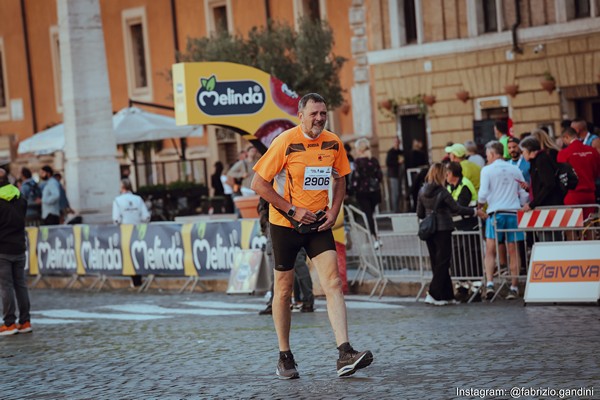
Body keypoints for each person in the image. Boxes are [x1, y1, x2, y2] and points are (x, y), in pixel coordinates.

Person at [251, 93, 373, 379]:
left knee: (332, 281)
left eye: (323, 113)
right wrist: (292, 210)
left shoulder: (333, 142)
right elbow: (258, 183)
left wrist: (333, 210)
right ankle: (285, 355)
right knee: (283, 290)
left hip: (318, 222)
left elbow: (340, 178)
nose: (319, 118)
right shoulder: (284, 142)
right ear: (300, 115)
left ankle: (345, 352)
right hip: (285, 224)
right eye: (314, 113)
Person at [417, 163, 485, 306]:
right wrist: (474, 212)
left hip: (429, 231)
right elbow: (456, 208)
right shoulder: (442, 191)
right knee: (443, 263)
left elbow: (420, 213)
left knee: (437, 263)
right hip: (443, 229)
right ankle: (433, 293)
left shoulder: (422, 190)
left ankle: (446, 296)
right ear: (441, 174)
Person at [478, 141, 529, 301]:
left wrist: (479, 207)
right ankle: (514, 286)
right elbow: (525, 191)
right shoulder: (515, 169)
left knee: (491, 249)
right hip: (513, 213)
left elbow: (483, 194)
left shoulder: (487, 170)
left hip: (496, 213)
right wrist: (521, 205)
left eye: (487, 155)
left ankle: (490, 284)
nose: (487, 158)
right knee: (513, 251)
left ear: (492, 154)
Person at [0, 168, 32, 336]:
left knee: (6, 286)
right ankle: (25, 321)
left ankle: (9, 323)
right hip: (19, 245)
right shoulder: (21, 198)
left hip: (3, 248)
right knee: (20, 284)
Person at [445, 162, 482, 302]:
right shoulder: (450, 186)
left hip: (468, 226)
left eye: (447, 173)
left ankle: (476, 289)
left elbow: (458, 207)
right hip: (456, 227)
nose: (445, 176)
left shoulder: (465, 185)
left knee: (471, 256)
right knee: (457, 257)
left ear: (453, 174)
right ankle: (462, 288)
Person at [113, 178, 151, 287]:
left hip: (125, 231)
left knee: (129, 255)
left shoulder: (117, 200)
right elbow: (146, 216)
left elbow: (116, 219)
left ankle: (135, 281)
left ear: (121, 188)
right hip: (138, 230)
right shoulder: (138, 199)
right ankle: (139, 278)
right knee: (138, 253)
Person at [558, 127, 600, 219]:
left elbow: (561, 175)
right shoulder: (592, 151)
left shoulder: (564, 153)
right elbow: (597, 172)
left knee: (572, 226)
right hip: (590, 193)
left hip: (572, 194)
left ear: (566, 137)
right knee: (589, 226)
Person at [351, 138, 383, 241]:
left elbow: (356, 178)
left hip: (362, 192)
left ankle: (373, 237)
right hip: (375, 192)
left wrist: (352, 189)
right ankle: (372, 236)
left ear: (359, 150)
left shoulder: (358, 162)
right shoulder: (374, 160)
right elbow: (380, 175)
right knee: (370, 214)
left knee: (367, 214)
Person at [386, 136, 404, 213]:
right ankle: (395, 210)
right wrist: (397, 162)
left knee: (400, 193)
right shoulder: (390, 152)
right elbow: (388, 163)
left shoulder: (401, 152)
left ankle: (400, 209)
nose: (396, 143)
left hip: (401, 174)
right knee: (395, 193)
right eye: (395, 142)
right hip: (393, 175)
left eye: (398, 142)